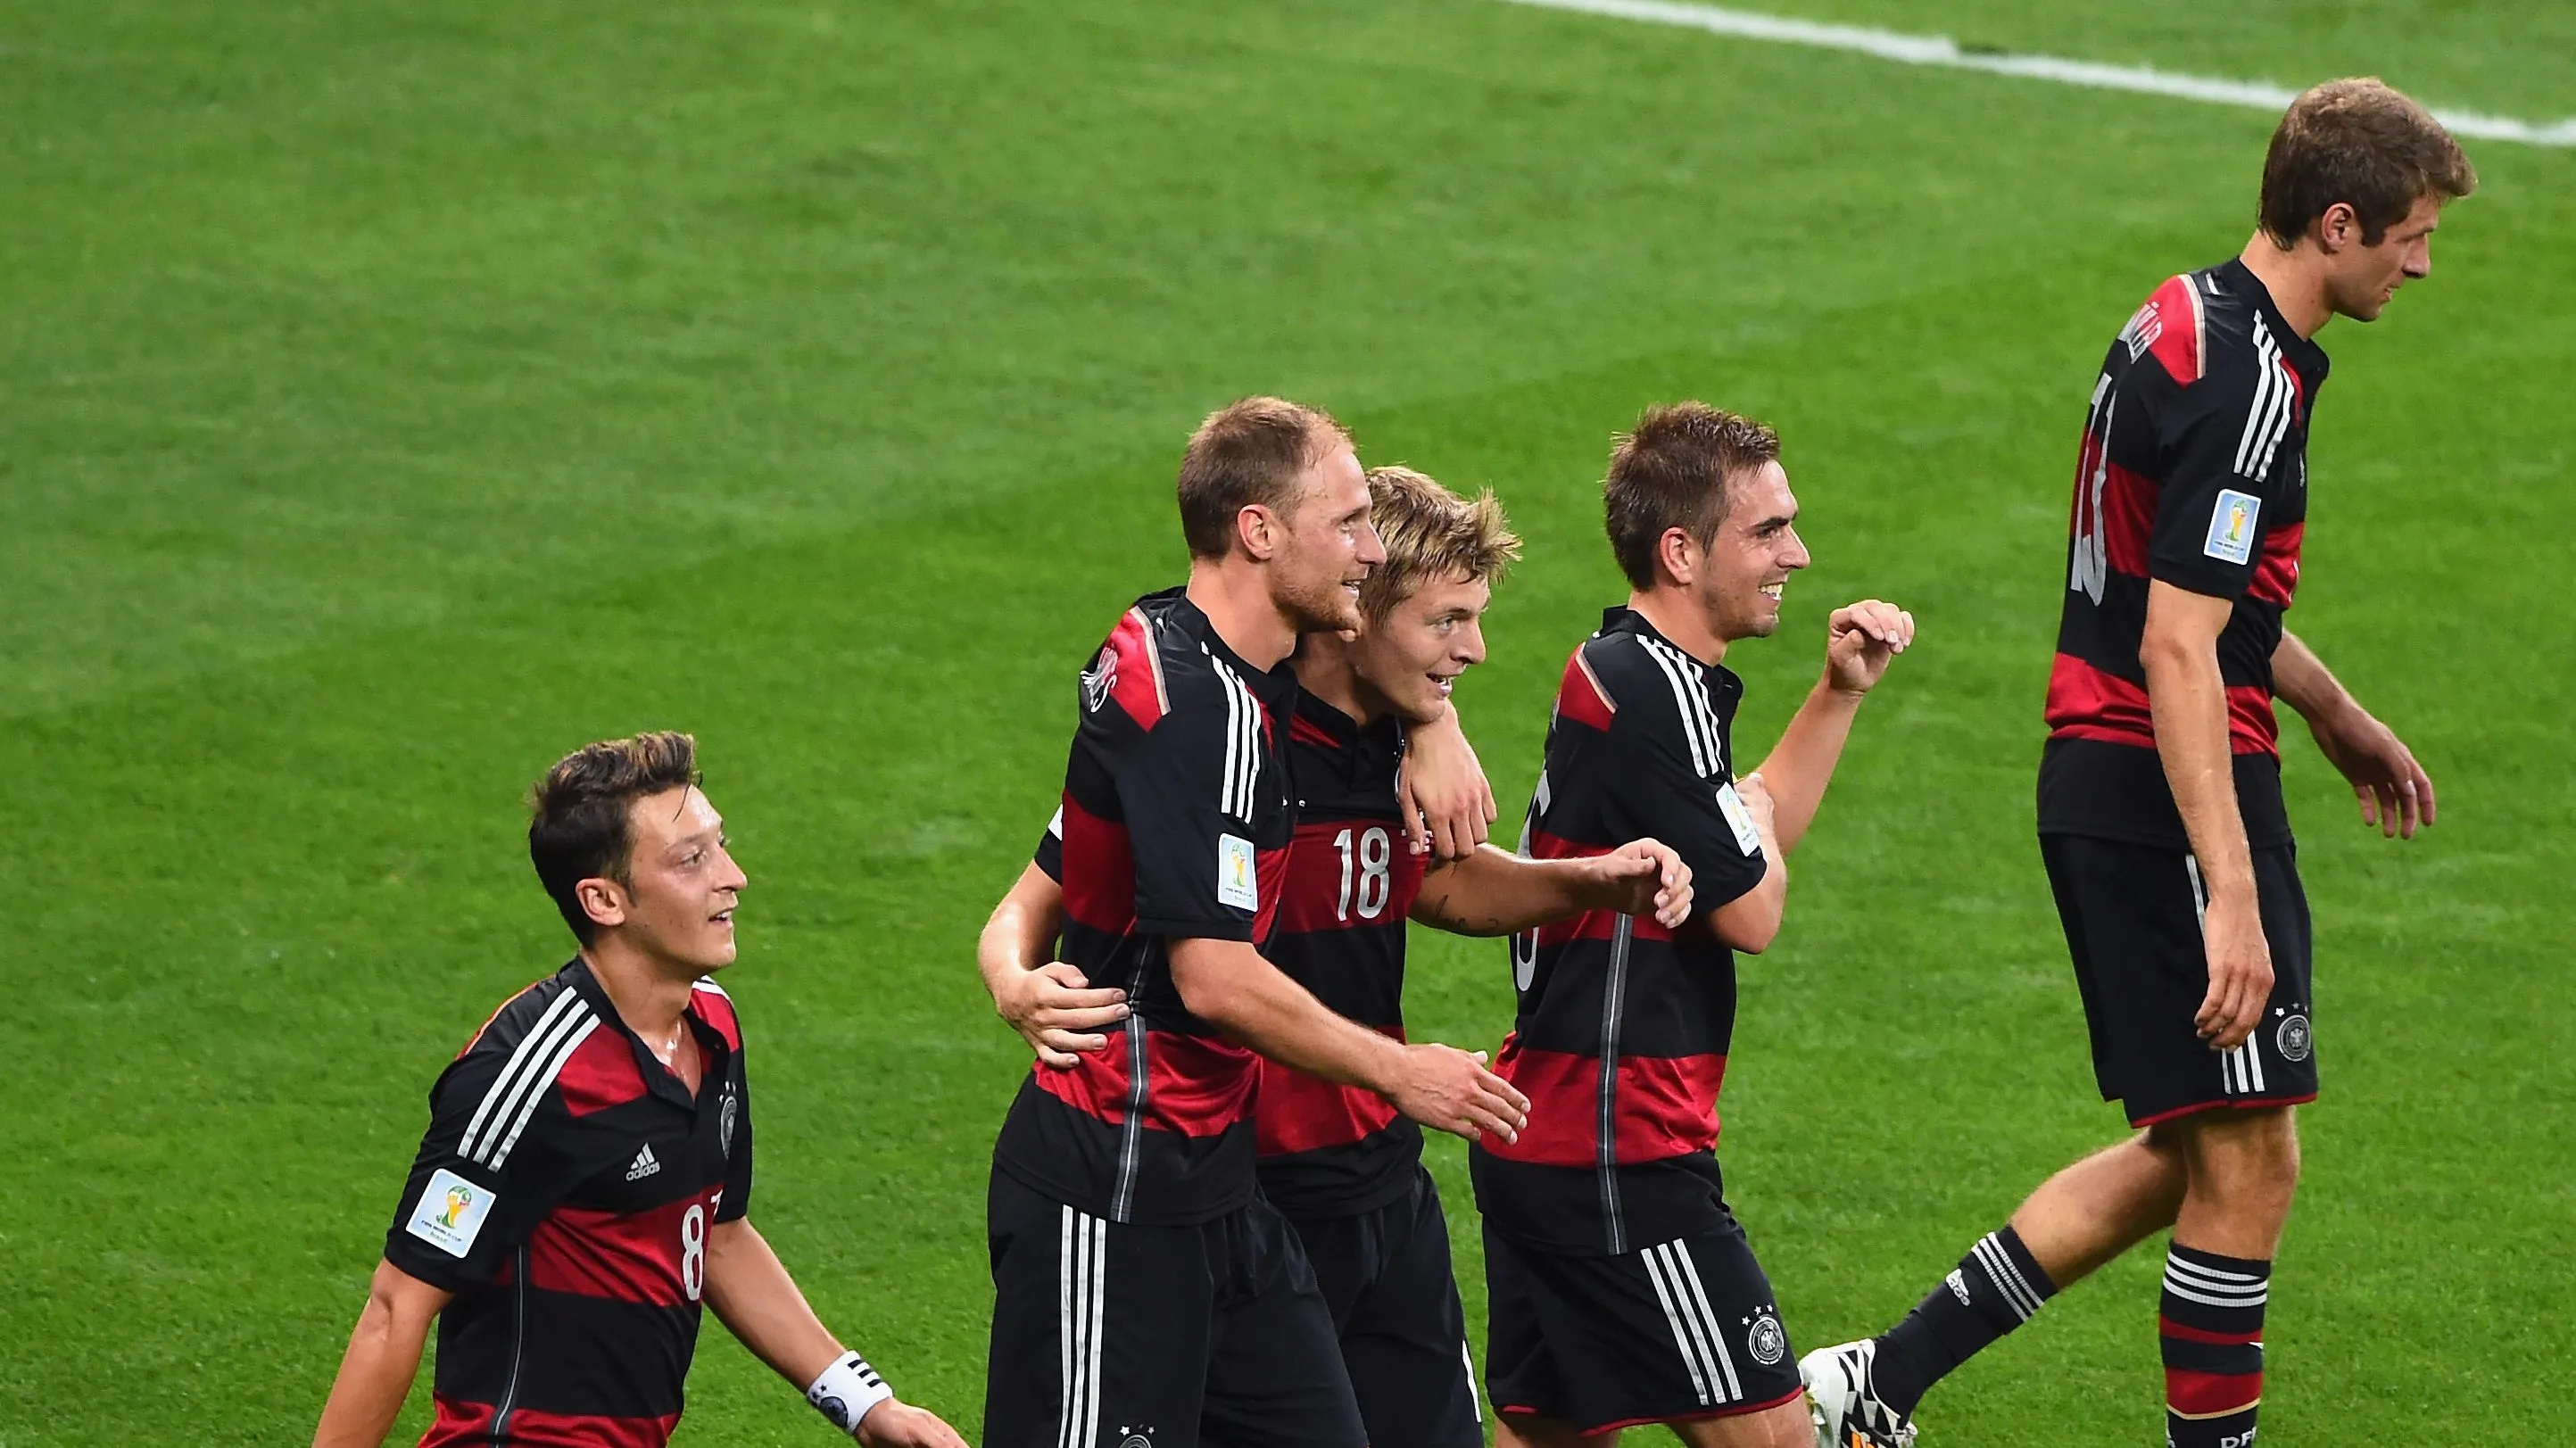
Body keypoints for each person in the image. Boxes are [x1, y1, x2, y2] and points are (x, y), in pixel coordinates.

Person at [1801, 78, 2473, 1448]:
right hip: (2159, 783)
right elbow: (2173, 645)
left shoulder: (2181, 313)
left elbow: (2200, 601)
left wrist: (2331, 708)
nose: (2417, 264)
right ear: (2333, 221)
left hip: (2114, 773)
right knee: (2249, 1157)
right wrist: (2226, 886)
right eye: (2405, 235)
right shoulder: (2248, 389)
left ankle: (1877, 1380)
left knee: (2197, 1150)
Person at [983, 463, 1697, 1448]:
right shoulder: (1228, 733)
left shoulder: (1389, 732)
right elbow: (1062, 876)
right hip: (1247, 1185)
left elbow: (1429, 884)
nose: (1476, 650)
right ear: (1356, 610)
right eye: (1448, 621)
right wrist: (1010, 975)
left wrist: (1586, 880)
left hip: (1380, 1180)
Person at [312, 732, 966, 1448]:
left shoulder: (711, 1021)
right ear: (603, 898)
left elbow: (716, 1235)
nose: (734, 876)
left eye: (720, 844)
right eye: (692, 860)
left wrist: (866, 1404)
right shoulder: (528, 1072)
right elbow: (395, 1305)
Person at [1470, 404, 1915, 1448]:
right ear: (1680, 552)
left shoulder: (1650, 678)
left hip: (1553, 1141)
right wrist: (1749, 830)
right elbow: (1752, 908)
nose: (1796, 555)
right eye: (1767, 532)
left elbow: (1741, 825)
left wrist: (1836, 696)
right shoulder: (1645, 687)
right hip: (1619, 1159)